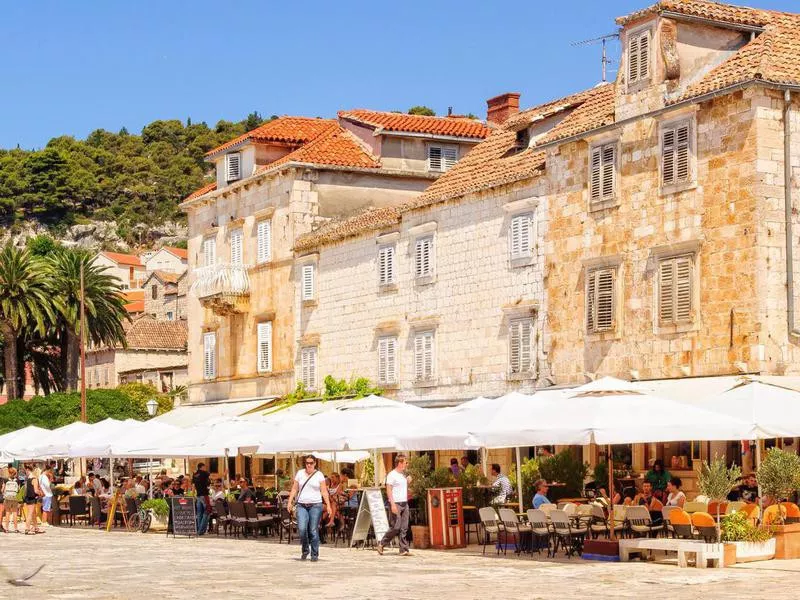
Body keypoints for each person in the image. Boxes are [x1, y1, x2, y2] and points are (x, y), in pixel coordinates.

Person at [287, 455, 332, 562]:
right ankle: (305, 549)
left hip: (315, 505)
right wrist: (290, 501)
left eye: (311, 463)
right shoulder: (300, 473)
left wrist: (328, 505)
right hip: (301, 505)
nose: (309, 465)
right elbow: (294, 488)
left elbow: (324, 491)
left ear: (315, 463)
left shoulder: (319, 475)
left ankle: (314, 554)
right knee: (302, 529)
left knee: (313, 530)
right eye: (307, 463)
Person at [377, 454, 412, 557]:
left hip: (404, 503)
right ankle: (382, 543)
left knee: (404, 527)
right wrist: (392, 504)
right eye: (406, 462)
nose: (407, 464)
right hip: (396, 503)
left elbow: (403, 488)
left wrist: (409, 482)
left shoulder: (404, 474)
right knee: (395, 527)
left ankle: (403, 549)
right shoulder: (391, 475)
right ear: (400, 463)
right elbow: (389, 490)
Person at [23, 465, 43, 535]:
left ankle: (36, 527)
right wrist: (41, 493)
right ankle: (27, 529)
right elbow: (36, 491)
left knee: (33, 513)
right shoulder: (34, 479)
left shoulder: (28, 479)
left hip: (28, 498)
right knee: (30, 514)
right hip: (32, 498)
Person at [192, 462, 211, 535]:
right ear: (202, 467)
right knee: (207, 511)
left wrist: (193, 495)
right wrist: (224, 474)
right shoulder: (204, 473)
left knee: (199, 513)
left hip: (198, 495)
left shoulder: (195, 474)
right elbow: (213, 476)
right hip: (204, 495)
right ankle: (200, 530)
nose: (205, 468)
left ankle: (199, 530)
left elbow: (193, 485)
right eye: (205, 467)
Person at [2, 467, 20, 533]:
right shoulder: (17, 480)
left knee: (7, 513)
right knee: (15, 513)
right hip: (15, 498)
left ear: (9, 472)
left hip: (7, 498)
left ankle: (6, 528)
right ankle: (15, 528)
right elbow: (18, 489)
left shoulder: (6, 480)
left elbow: (2, 490)